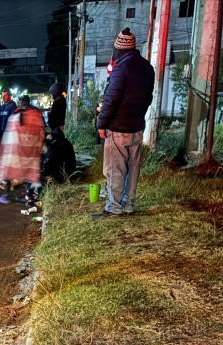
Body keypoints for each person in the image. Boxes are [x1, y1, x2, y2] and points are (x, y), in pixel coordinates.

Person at [94, 27, 155, 219]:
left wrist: (101, 124)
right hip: (137, 127)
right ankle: (129, 205)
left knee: (115, 169)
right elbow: (148, 98)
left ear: (118, 49)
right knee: (133, 168)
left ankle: (113, 208)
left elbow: (111, 100)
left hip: (118, 128)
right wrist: (138, 116)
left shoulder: (121, 68)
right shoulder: (147, 67)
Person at [0, 95, 46, 192]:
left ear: (20, 103)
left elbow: (10, 136)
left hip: (18, 149)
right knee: (29, 170)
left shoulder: (15, 115)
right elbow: (41, 131)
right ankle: (29, 189)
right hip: (32, 149)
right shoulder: (36, 113)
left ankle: (12, 184)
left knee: (17, 169)